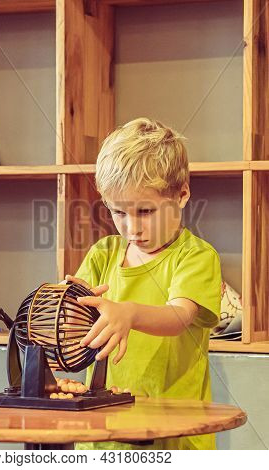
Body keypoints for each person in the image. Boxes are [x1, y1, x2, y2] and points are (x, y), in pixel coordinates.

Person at [68, 117, 222, 450]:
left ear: (181, 195)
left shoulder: (195, 256)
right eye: (118, 212)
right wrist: (65, 310)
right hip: (101, 437)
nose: (131, 227)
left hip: (174, 438)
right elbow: (74, 320)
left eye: (145, 212)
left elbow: (179, 317)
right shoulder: (103, 254)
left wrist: (130, 314)